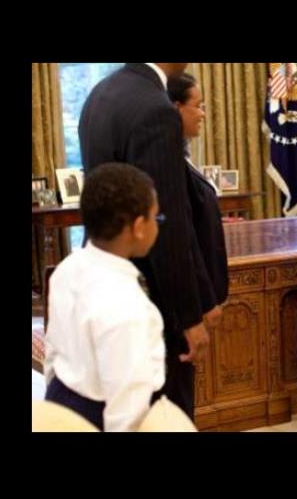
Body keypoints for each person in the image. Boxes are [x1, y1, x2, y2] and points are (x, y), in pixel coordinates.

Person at [79, 63, 208, 418]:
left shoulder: (101, 94)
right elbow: (167, 221)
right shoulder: (155, 107)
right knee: (164, 412)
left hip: (104, 281)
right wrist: (188, 316)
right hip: (150, 296)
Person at [43, 163, 165, 431]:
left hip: (60, 399)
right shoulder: (126, 304)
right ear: (138, 227)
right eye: (156, 218)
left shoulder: (67, 269)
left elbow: (52, 354)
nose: (158, 225)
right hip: (99, 416)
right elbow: (127, 405)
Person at [167, 72, 228, 335]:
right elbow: (184, 237)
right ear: (176, 107)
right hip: (190, 302)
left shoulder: (182, 156)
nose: (203, 114)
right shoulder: (169, 163)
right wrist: (203, 299)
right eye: (198, 105)